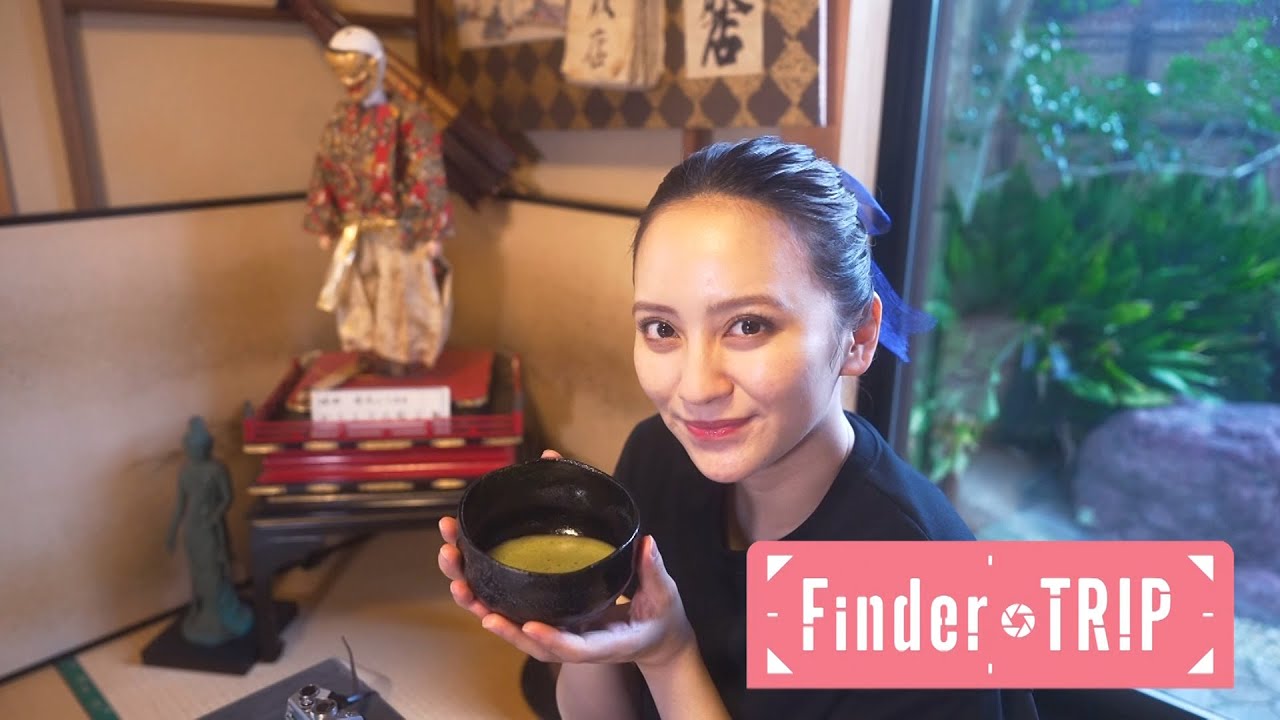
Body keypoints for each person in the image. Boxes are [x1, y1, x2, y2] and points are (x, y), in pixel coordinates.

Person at [437, 137, 1040, 719]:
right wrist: (581, 614)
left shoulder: (923, 589)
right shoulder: (657, 457)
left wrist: (669, 654)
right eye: (662, 329)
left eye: (749, 325)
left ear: (858, 336)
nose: (696, 388)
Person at [304, 25, 454, 376]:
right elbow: (325, 165)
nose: (349, 83)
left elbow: (427, 173)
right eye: (341, 74)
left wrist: (432, 230)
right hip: (354, 230)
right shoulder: (341, 118)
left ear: (377, 65)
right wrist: (325, 220)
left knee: (402, 302)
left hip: (400, 232)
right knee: (361, 298)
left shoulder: (410, 117)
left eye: (355, 73)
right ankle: (369, 356)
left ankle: (404, 361)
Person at [166, 416, 254, 647]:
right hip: (193, 528)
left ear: (207, 447)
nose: (194, 451)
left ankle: (223, 613)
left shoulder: (216, 469)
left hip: (211, 527)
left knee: (215, 568)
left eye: (198, 448)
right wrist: (172, 531)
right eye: (190, 448)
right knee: (198, 571)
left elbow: (227, 498)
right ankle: (205, 612)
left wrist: (214, 517)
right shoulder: (185, 471)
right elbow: (180, 504)